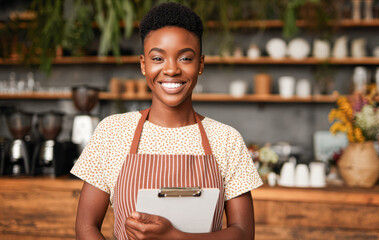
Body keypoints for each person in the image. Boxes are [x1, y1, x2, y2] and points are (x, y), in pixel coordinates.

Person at [71, 2, 263, 240]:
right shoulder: (113, 132)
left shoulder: (226, 139)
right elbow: (86, 227)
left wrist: (175, 236)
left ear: (200, 64)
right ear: (144, 64)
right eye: (158, 58)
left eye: (185, 58)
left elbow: (244, 234)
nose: (171, 70)